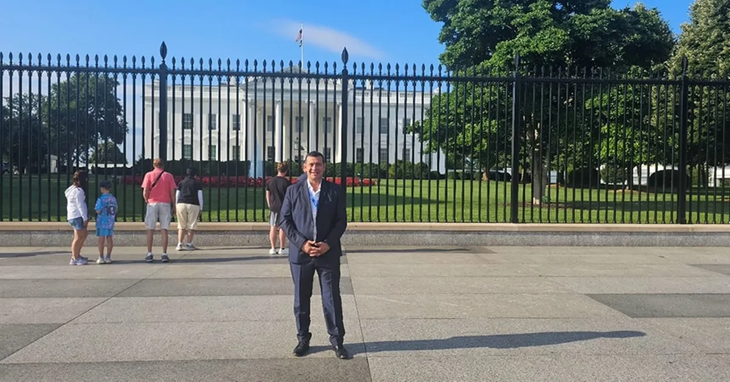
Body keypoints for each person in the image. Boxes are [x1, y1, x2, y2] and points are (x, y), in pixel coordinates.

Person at [279, 151, 349, 360]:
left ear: (324, 167)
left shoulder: (334, 191)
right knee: (301, 299)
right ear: (304, 167)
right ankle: (303, 339)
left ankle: (337, 341)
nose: (314, 168)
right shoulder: (293, 191)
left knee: (331, 298)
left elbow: (341, 221)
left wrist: (328, 244)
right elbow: (285, 220)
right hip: (301, 255)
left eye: (318, 164)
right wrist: (302, 244)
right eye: (310, 164)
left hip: (327, 253)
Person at [141, 158, 177, 263]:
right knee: (164, 229)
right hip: (165, 203)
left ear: (154, 165)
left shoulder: (148, 175)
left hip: (152, 202)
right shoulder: (169, 176)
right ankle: (164, 253)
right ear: (163, 165)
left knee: (150, 229)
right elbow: (172, 193)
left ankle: (149, 253)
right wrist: (174, 205)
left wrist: (147, 199)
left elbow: (145, 191)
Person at [266, 162, 291, 255]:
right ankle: (282, 248)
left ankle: (273, 248)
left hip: (274, 206)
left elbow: (267, 194)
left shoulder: (271, 181)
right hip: (284, 207)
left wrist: (269, 204)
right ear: (286, 171)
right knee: (282, 228)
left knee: (273, 226)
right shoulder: (286, 182)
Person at [175, 167, 203, 251]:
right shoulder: (197, 183)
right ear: (195, 174)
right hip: (193, 204)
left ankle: (179, 244)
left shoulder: (181, 182)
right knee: (191, 225)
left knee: (181, 225)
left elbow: (177, 195)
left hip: (181, 203)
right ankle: (189, 244)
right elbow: (200, 196)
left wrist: (176, 205)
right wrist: (201, 208)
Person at [65, 170, 90, 265]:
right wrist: (85, 218)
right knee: (78, 237)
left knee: (81, 236)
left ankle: (77, 255)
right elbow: (81, 206)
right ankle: (75, 257)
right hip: (77, 216)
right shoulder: (79, 191)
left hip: (72, 215)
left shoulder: (71, 189)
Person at [94, 180, 117, 264]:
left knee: (101, 239)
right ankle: (108, 256)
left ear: (102, 189)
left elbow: (98, 210)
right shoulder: (113, 199)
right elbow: (115, 209)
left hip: (102, 221)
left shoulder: (101, 199)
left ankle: (101, 256)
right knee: (109, 238)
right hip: (110, 221)